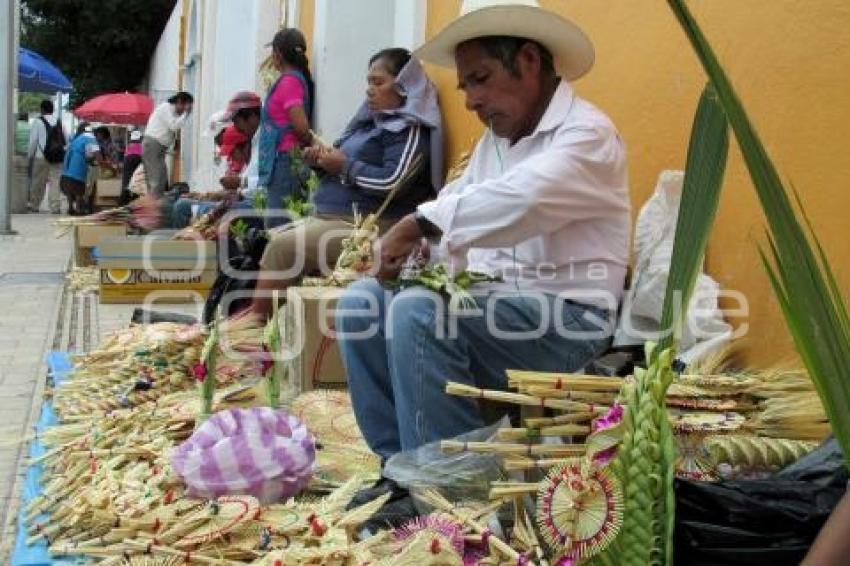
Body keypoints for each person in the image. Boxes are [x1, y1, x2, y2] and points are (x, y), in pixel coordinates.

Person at [335, 0, 631, 522]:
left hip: (567, 326)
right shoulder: (495, 144)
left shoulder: (588, 136)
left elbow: (521, 201)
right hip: (493, 311)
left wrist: (419, 225)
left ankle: (451, 499)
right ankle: (401, 471)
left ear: (529, 63)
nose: (471, 100)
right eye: (465, 86)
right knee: (362, 302)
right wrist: (421, 253)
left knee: (418, 311)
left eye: (481, 79)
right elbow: (461, 222)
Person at [246, 47, 443, 318]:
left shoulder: (409, 129)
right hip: (336, 219)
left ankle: (251, 327)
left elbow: (394, 182)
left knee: (283, 248)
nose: (369, 90)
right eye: (368, 82)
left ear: (404, 86)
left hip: (373, 225)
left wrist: (344, 165)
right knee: (272, 238)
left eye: (379, 82)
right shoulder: (366, 125)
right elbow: (341, 171)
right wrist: (321, 164)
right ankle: (274, 327)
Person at [171, 91, 263, 229]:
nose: (236, 127)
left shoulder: (263, 144)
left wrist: (240, 183)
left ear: (252, 117)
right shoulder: (255, 144)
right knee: (185, 205)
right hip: (245, 201)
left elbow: (264, 186)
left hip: (253, 205)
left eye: (236, 121)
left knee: (186, 208)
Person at [258, 28, 315, 228]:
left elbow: (301, 126)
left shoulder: (289, 81)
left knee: (279, 226)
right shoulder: (293, 79)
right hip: (283, 162)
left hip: (286, 162)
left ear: (278, 54)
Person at [143, 91, 193, 196]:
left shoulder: (173, 111)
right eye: (184, 107)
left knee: (161, 176)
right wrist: (186, 114)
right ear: (179, 102)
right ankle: (153, 203)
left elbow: (171, 128)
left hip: (160, 145)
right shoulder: (166, 108)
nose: (184, 110)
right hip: (153, 143)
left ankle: (157, 201)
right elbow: (173, 126)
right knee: (155, 176)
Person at [60, 123, 108, 215]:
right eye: (102, 139)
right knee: (79, 189)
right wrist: (105, 166)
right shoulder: (91, 139)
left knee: (70, 187)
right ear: (99, 134)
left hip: (67, 166)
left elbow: (87, 155)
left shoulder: (79, 137)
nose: (100, 141)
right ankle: (79, 210)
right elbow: (98, 156)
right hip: (78, 166)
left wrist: (91, 160)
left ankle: (70, 207)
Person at [27, 99, 65, 213]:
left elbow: (33, 141)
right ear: (52, 109)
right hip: (57, 157)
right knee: (55, 181)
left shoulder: (37, 122)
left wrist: (30, 156)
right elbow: (65, 140)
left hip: (41, 157)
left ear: (42, 109)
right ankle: (55, 206)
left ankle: (35, 205)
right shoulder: (59, 122)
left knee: (38, 181)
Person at [121, 130, 144, 205]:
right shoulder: (142, 146)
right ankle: (135, 201)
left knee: (126, 181)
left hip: (129, 159)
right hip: (139, 159)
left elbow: (125, 157)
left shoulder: (129, 146)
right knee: (137, 180)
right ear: (140, 138)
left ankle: (124, 202)